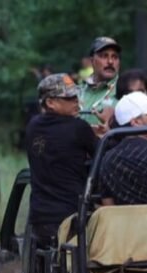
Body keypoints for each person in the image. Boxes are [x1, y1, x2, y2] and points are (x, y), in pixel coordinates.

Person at [24, 73, 99, 244]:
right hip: (71, 218)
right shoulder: (78, 128)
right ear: (50, 102)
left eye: (76, 97)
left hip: (40, 218)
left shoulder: (32, 126)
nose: (77, 102)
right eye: (69, 98)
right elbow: (104, 157)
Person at [78, 37, 121, 127]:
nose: (110, 62)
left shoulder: (124, 89)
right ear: (92, 61)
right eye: (104, 56)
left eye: (115, 57)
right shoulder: (78, 91)